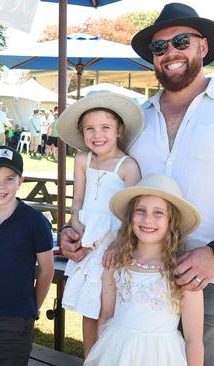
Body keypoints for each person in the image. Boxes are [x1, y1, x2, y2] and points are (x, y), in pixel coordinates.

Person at [62, 3, 214, 365]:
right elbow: (105, 189)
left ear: (203, 47)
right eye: (159, 47)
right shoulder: (136, 120)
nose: (170, 52)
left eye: (181, 41)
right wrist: (75, 231)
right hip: (139, 282)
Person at [85, 174, 204, 366]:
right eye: (141, 210)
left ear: (171, 222)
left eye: (158, 213)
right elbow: (107, 315)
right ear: (131, 217)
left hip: (162, 357)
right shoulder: (116, 263)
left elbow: (194, 340)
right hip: (117, 353)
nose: (148, 219)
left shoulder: (183, 272)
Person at [57, 92, 142, 356]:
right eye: (89, 129)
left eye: (105, 127)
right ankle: (89, 359)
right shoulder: (83, 160)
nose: (97, 134)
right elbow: (78, 199)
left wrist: (117, 245)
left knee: (109, 311)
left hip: (113, 246)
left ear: (119, 130)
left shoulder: (127, 166)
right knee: (88, 308)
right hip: (87, 242)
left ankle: (107, 359)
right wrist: (74, 224)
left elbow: (131, 215)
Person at [0, 145, 54, 366]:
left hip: (16, 320)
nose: (2, 186)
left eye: (9, 178)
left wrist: (32, 306)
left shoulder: (35, 222)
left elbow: (47, 270)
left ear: (20, 181)